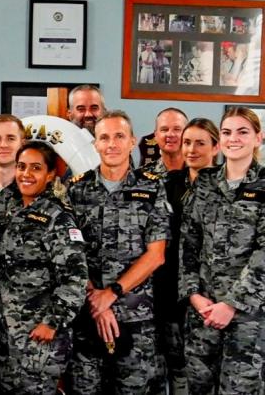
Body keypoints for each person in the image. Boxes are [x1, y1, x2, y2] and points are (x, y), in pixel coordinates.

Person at [66, 110, 171, 394]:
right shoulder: (75, 191)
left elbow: (156, 254)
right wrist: (96, 303)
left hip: (136, 319)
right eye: (104, 137)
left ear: (132, 142)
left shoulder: (151, 188)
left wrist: (110, 294)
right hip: (87, 316)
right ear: (95, 144)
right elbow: (69, 255)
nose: (111, 143)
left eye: (119, 136)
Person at [180, 107, 265, 394]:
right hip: (202, 311)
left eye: (243, 132)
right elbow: (188, 242)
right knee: (198, 388)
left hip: (247, 317)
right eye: (227, 132)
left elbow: (263, 255)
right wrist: (193, 294)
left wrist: (231, 305)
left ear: (258, 138)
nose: (234, 139)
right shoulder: (204, 181)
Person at [0, 141, 88, 394]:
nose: (26, 174)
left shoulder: (58, 219)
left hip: (40, 336)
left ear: (50, 175)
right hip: (8, 334)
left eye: (35, 168)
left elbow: (75, 278)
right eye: (21, 166)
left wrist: (52, 322)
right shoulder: (10, 210)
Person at [158, 118, 219, 395]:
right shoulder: (169, 184)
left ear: (215, 147)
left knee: (205, 369)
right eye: (187, 142)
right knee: (173, 362)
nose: (192, 149)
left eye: (200, 143)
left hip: (208, 293)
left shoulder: (225, 188)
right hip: (170, 287)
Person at [143, 108, 189, 176]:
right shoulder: (139, 177)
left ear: (188, 133)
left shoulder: (203, 175)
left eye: (177, 129)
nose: (170, 134)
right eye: (164, 130)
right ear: (156, 135)